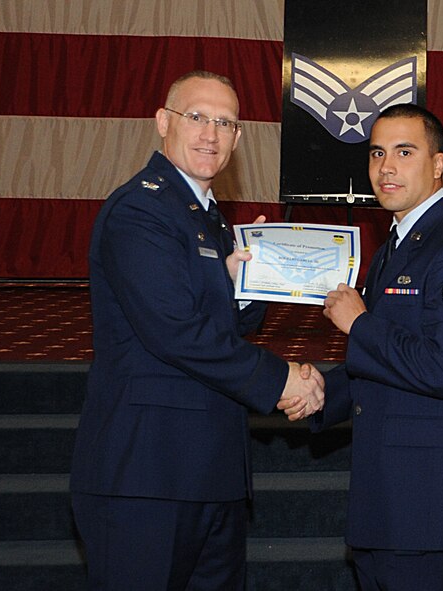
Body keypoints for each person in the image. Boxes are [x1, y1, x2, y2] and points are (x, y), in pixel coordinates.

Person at [70, 70, 324, 590]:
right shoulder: (141, 209)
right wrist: (281, 381)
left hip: (208, 471)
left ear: (238, 137)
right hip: (147, 476)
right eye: (197, 117)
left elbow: (217, 320)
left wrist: (249, 283)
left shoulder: (208, 218)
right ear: (164, 122)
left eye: (225, 122)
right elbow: (175, 330)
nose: (210, 133)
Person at [315, 104, 443, 590]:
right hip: (385, 499)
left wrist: (360, 323)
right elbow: (382, 365)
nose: (386, 167)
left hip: (426, 504)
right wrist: (312, 393)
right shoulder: (397, 244)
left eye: (404, 151)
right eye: (377, 153)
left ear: (438, 164)